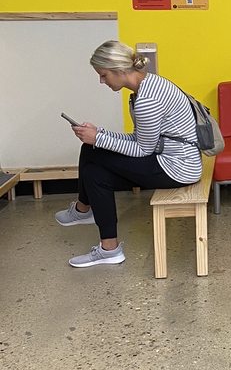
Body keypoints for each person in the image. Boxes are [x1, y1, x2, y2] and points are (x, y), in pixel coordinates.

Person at [56, 40, 203, 268]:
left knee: (91, 151)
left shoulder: (146, 100)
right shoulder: (147, 86)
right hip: (169, 160)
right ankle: (109, 248)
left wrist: (98, 139)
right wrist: (100, 134)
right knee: (95, 172)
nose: (102, 81)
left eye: (104, 75)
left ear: (119, 70)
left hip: (178, 167)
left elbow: (143, 150)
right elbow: (140, 139)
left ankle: (83, 210)